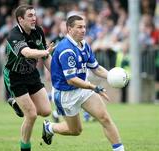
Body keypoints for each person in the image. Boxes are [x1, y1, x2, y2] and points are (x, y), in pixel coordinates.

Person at [42, 15, 125, 151]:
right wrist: (94, 87)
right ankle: (49, 127)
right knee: (75, 130)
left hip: (83, 89)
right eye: (79, 27)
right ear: (69, 29)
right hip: (66, 94)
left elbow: (96, 68)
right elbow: (71, 79)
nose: (83, 30)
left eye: (84, 27)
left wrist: (111, 76)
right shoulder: (66, 49)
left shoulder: (85, 45)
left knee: (104, 118)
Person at [3, 5, 54, 151]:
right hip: (15, 76)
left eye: (34, 15)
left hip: (31, 74)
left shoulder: (38, 31)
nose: (34, 18)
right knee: (31, 115)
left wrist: (57, 75)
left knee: (45, 111)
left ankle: (17, 104)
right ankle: (25, 147)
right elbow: (27, 52)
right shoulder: (13, 35)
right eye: (30, 16)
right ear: (20, 19)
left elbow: (45, 57)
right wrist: (44, 52)